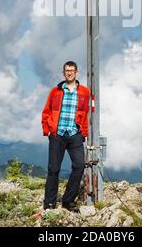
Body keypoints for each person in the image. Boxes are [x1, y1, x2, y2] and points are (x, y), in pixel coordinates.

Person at [41, 61, 90, 212]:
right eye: (67, 71)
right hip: (57, 134)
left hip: (75, 134)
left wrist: (84, 133)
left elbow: (86, 113)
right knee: (54, 169)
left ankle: (68, 201)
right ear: (63, 73)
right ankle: (49, 203)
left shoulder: (84, 92)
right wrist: (47, 130)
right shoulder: (55, 91)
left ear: (76, 72)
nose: (69, 73)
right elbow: (46, 111)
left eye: (72, 70)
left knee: (79, 165)